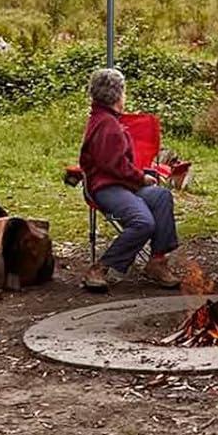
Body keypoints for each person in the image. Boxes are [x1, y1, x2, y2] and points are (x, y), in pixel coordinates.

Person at [79, 67, 180, 292]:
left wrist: (141, 177)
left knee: (162, 196)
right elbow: (113, 166)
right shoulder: (107, 125)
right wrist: (141, 177)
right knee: (143, 222)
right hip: (107, 187)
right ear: (117, 95)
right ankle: (101, 268)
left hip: (123, 184)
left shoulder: (106, 119)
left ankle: (157, 261)